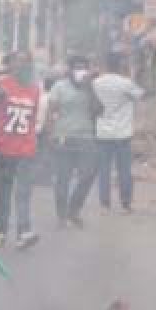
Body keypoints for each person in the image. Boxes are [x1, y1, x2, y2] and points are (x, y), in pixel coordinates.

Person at [0, 50, 45, 249]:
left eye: (25, 62)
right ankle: (0, 230)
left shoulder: (35, 89)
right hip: (3, 147)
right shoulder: (2, 83)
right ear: (10, 64)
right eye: (17, 62)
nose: (21, 66)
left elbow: (35, 118)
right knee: (2, 192)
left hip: (25, 149)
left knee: (23, 192)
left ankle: (24, 230)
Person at [47, 56, 101, 228]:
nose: (80, 71)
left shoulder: (91, 87)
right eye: (77, 68)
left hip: (86, 137)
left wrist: (90, 88)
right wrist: (50, 134)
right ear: (69, 70)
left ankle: (74, 209)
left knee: (88, 174)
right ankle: (62, 214)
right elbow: (51, 111)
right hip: (63, 136)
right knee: (63, 178)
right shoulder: (59, 86)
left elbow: (99, 110)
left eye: (83, 68)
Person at [91, 54, 144, 214]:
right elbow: (140, 95)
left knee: (104, 170)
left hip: (102, 132)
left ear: (106, 65)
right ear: (121, 65)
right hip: (122, 133)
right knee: (124, 170)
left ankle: (104, 204)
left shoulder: (96, 83)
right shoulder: (126, 83)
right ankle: (125, 203)